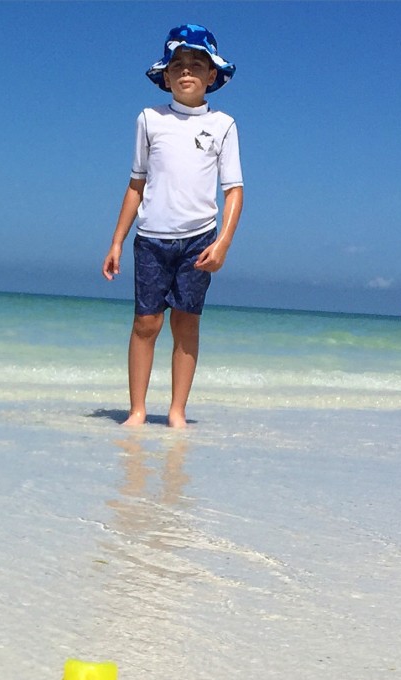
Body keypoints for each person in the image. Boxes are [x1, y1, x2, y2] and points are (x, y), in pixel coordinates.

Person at [103, 23, 243, 428]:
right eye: (178, 65)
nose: (187, 72)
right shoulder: (149, 119)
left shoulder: (223, 126)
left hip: (199, 239)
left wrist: (223, 245)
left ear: (212, 75)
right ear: (165, 76)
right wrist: (116, 242)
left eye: (197, 64)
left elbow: (234, 190)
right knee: (146, 323)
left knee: (186, 324)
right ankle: (137, 410)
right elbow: (136, 184)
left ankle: (177, 412)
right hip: (150, 239)